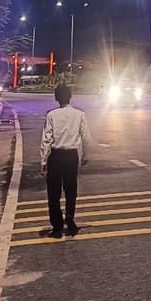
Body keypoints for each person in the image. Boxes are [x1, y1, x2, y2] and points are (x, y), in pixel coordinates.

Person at [40, 84, 93, 238]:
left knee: (53, 192)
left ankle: (57, 226)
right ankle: (70, 217)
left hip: (56, 157)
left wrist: (43, 161)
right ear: (70, 96)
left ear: (56, 98)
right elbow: (86, 137)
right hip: (71, 156)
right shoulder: (79, 114)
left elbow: (46, 139)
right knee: (71, 190)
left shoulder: (51, 115)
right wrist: (86, 155)